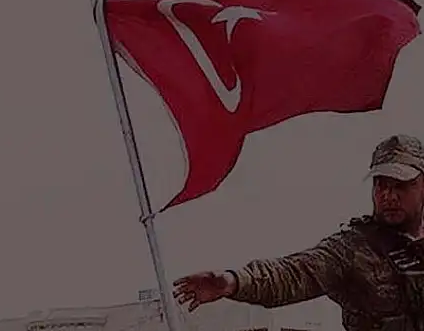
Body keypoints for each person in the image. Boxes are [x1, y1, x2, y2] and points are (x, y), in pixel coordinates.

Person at [173, 134, 424, 331]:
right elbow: (294, 273)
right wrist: (233, 281)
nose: (389, 195)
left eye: (401, 185)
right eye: (381, 185)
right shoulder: (352, 249)